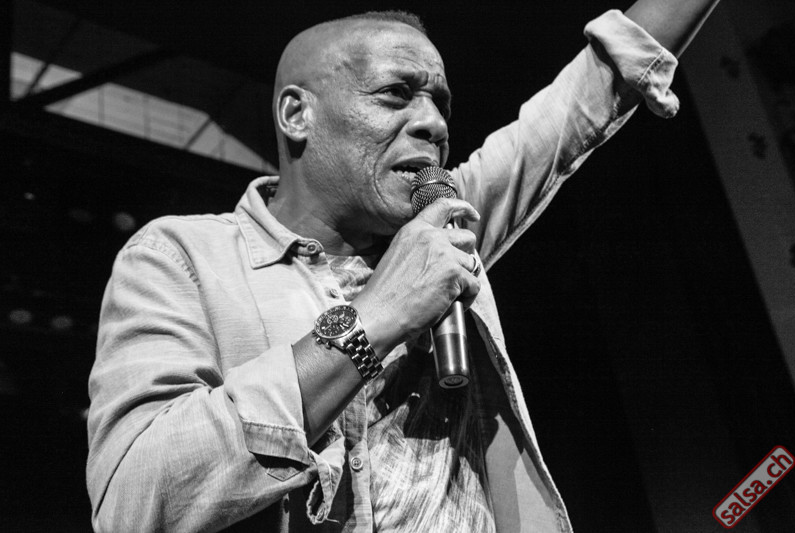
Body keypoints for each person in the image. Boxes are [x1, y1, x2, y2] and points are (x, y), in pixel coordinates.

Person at [86, 1, 719, 531]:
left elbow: (590, 92)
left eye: (440, 102)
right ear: (297, 115)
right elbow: (134, 501)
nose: (434, 123)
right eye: (397, 94)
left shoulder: (444, 228)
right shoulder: (182, 257)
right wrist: (373, 318)